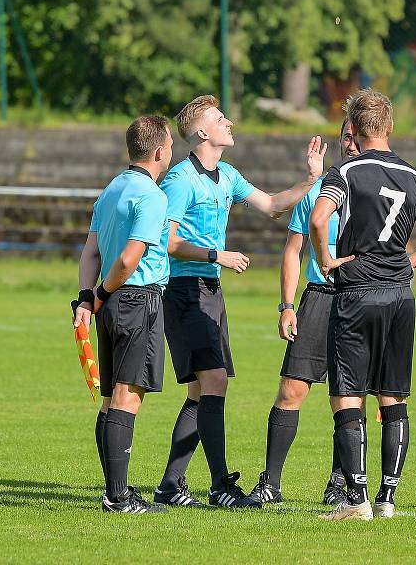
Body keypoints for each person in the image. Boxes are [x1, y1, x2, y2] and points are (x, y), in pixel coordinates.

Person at [153, 95, 326, 509]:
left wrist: (310, 179)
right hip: (183, 291)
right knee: (212, 383)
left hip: (209, 291)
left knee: (201, 391)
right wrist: (218, 255)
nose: (228, 121)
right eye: (219, 118)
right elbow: (169, 242)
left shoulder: (227, 174)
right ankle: (219, 486)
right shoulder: (179, 180)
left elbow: (270, 206)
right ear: (203, 133)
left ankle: (170, 485)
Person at [310, 89, 416, 521]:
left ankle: (356, 501)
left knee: (347, 396)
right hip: (400, 296)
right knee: (393, 395)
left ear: (356, 130)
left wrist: (325, 258)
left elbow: (319, 218)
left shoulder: (344, 172)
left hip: (356, 293)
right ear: (389, 127)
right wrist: (409, 262)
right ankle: (387, 499)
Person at [248, 120, 359, 506]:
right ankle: (270, 483)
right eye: (346, 135)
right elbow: (293, 251)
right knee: (291, 389)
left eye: (358, 135)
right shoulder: (320, 190)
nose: (352, 143)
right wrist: (287, 305)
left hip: (360, 300)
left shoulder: (380, 187)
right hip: (318, 299)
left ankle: (339, 485)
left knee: (348, 398)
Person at [73, 115, 174, 513]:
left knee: (111, 398)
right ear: (159, 151)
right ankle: (117, 497)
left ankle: (116, 490)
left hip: (111, 304)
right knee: (127, 397)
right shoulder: (152, 196)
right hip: (136, 299)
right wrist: (100, 291)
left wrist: (87, 297)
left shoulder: (112, 188)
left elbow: (90, 251)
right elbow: (131, 258)